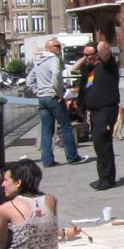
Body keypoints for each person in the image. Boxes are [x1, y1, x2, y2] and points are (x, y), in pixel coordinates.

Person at [29, 38, 87, 168]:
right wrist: (58, 92)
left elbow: (29, 79)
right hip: (53, 97)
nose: (60, 48)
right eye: (57, 46)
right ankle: (73, 157)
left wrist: (36, 91)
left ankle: (47, 160)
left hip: (42, 98)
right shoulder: (53, 59)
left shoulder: (38, 61)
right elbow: (55, 74)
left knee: (46, 130)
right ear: (50, 48)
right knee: (66, 126)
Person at [76, 41, 121, 191]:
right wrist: (86, 57)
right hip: (95, 112)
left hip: (106, 110)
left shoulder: (108, 66)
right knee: (98, 144)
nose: (86, 58)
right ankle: (103, 177)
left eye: (89, 55)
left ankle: (107, 179)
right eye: (84, 55)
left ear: (97, 54)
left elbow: (104, 49)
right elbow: (74, 68)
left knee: (102, 143)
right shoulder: (90, 69)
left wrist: (99, 44)